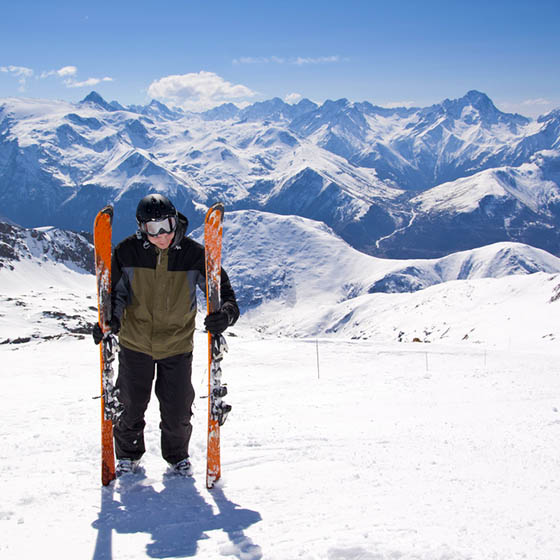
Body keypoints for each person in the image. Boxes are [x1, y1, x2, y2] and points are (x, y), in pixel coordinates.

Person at [93, 194, 239, 477]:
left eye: (167, 225)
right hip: (135, 344)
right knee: (130, 405)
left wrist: (226, 315)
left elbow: (226, 295)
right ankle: (128, 454)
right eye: (153, 228)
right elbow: (115, 296)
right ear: (141, 228)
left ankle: (177, 456)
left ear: (177, 221)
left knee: (177, 409)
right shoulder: (127, 252)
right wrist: (109, 321)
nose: (162, 235)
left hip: (177, 346)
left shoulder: (195, 255)